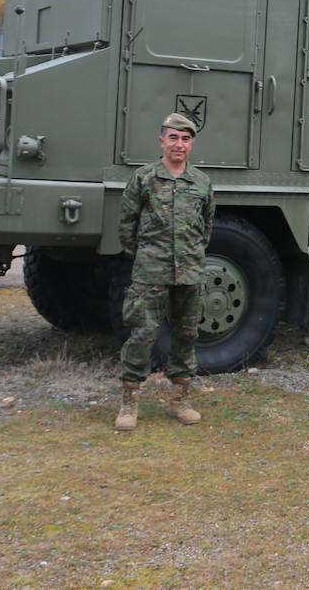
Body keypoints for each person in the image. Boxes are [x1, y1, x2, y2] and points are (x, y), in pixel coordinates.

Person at [114, 112, 216, 430]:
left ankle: (179, 401)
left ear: (191, 144)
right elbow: (126, 225)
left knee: (186, 336)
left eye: (185, 139)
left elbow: (206, 227)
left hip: (190, 272)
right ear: (161, 141)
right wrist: (145, 255)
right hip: (150, 271)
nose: (179, 144)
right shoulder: (144, 178)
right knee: (142, 336)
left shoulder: (201, 182)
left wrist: (191, 256)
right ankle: (129, 404)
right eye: (173, 137)